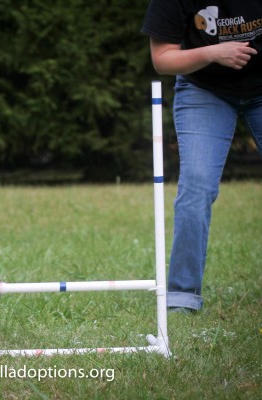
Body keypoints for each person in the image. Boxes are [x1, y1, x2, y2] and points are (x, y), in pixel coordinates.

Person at [142, 1, 262, 313]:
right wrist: (213, 53)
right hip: (205, 90)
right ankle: (182, 296)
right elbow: (162, 59)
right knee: (196, 186)